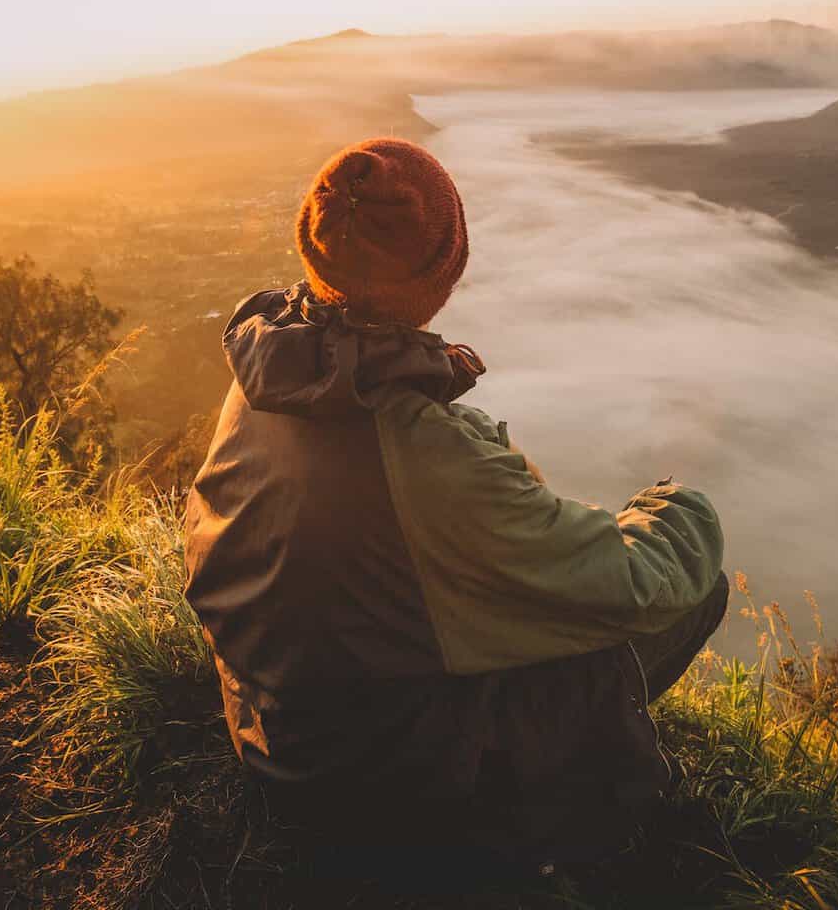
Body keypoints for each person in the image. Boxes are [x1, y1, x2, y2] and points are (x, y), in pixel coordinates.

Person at [182, 136, 727, 871]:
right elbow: (636, 583)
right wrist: (677, 501)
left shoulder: (272, 373)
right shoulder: (422, 449)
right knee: (696, 590)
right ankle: (566, 816)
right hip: (376, 789)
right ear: (444, 268)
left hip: (274, 733)